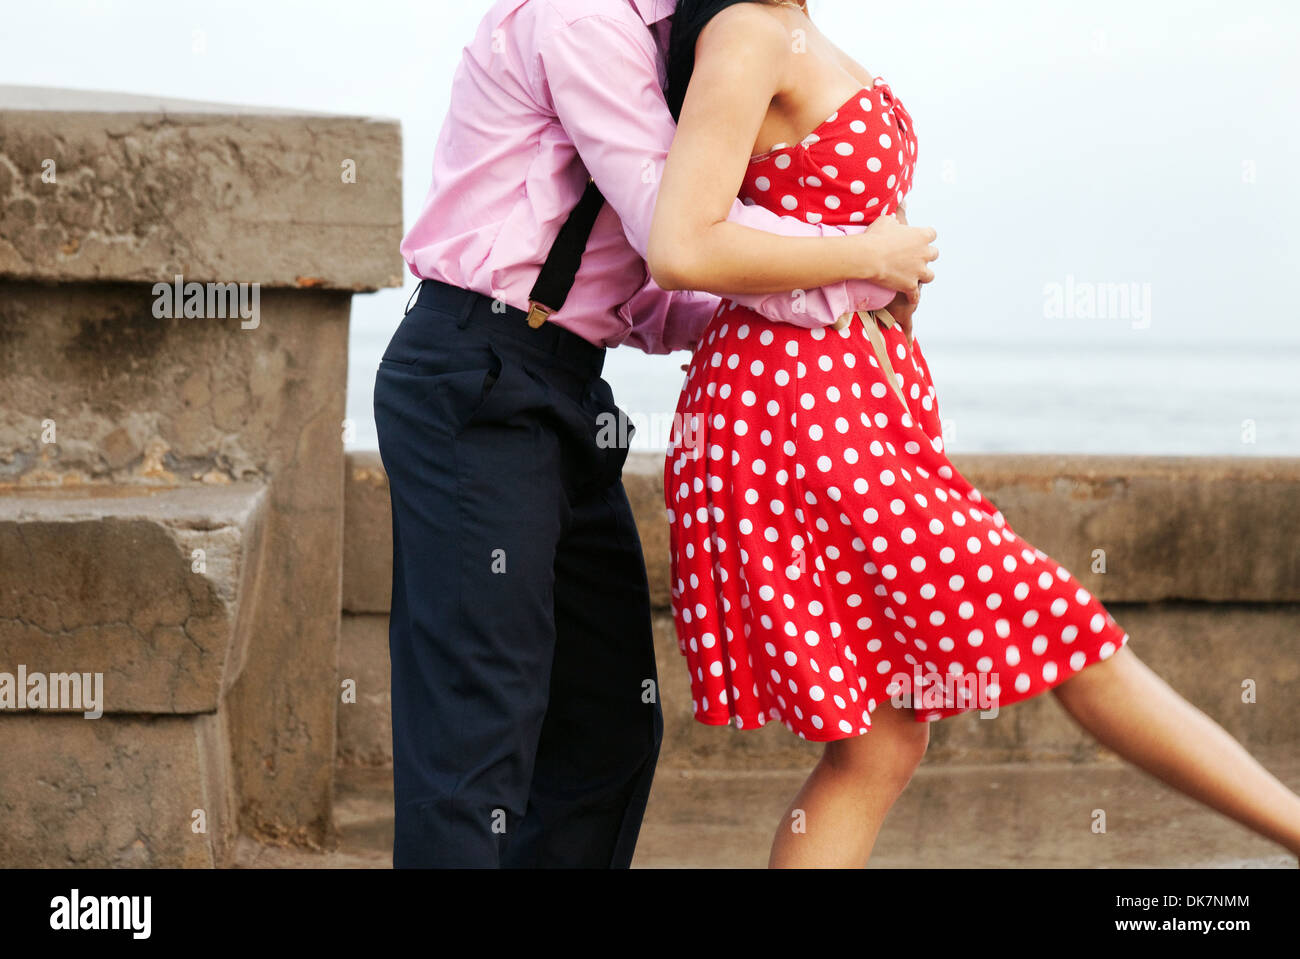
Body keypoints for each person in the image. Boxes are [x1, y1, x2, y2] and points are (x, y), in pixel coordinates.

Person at [651, 0, 1300, 867]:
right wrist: (866, 259)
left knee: (880, 745)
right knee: (1069, 632)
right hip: (795, 417)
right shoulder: (748, 31)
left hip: (852, 410)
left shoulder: (794, 30)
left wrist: (876, 279)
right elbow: (682, 244)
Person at [375, 0, 939, 868]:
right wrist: (859, 258)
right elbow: (670, 229)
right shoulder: (584, 21)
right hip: (475, 371)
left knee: (608, 726)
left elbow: (652, 295)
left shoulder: (684, 38)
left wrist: (804, 311)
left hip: (564, 378)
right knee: (478, 728)